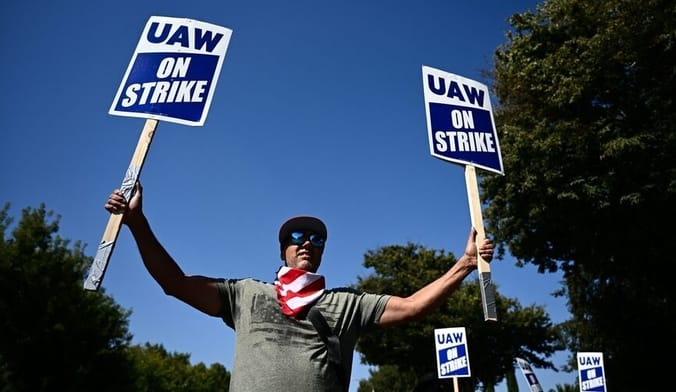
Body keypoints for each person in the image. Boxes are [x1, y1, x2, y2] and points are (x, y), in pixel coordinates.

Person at [104, 182, 494, 391]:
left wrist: (465, 263)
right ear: (283, 248)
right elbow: (174, 283)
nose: (307, 242)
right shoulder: (246, 294)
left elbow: (411, 307)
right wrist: (138, 224)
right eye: (297, 236)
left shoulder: (347, 304)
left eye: (316, 238)